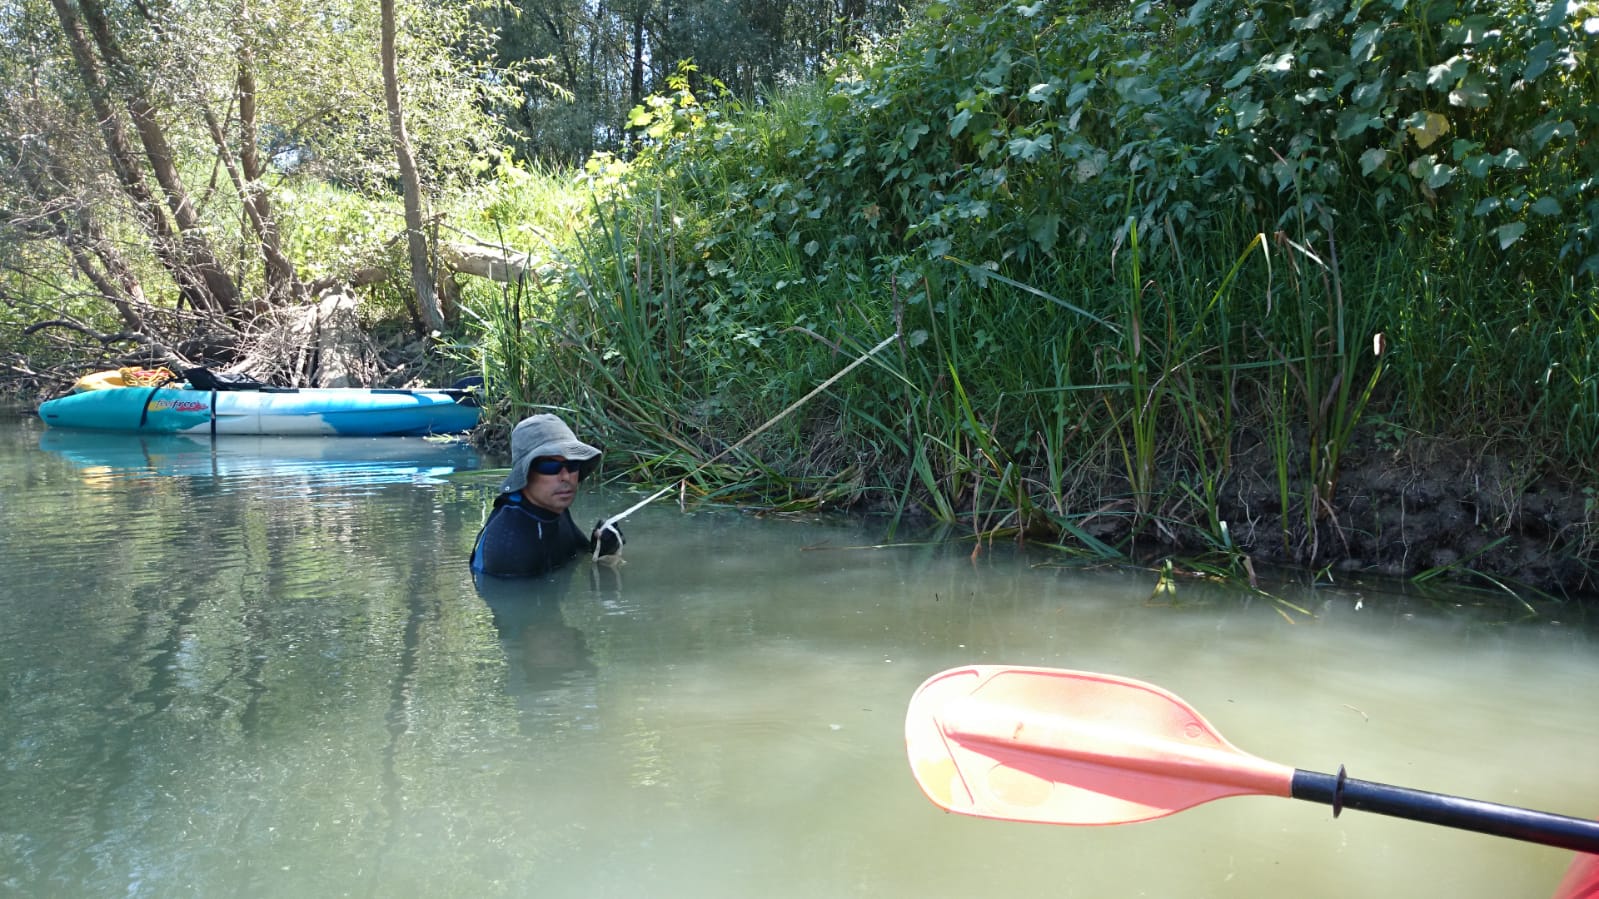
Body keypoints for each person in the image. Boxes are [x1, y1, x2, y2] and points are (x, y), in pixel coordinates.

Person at [470, 413, 624, 577]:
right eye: (550, 466)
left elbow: (581, 555)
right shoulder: (509, 545)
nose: (566, 476)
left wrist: (604, 546)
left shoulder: (553, 508)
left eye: (573, 464)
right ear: (525, 473)